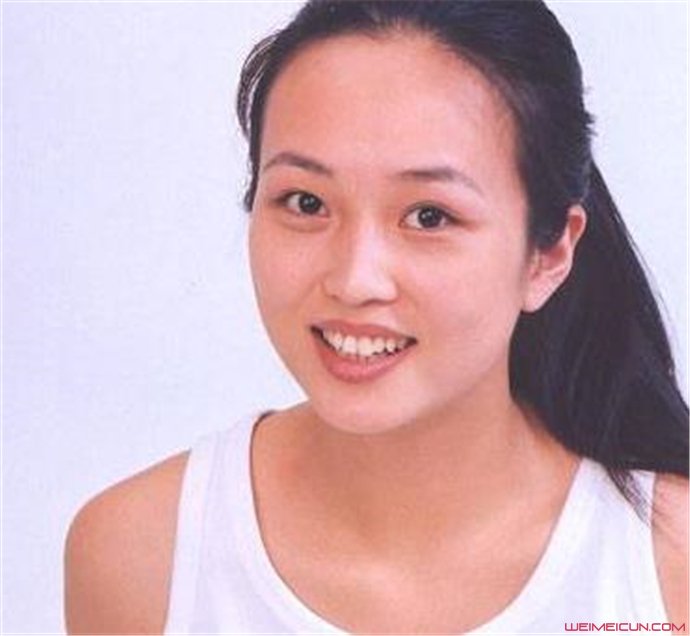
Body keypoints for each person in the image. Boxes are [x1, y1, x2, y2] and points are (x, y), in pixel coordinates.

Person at [64, 1, 689, 634]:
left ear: (548, 254)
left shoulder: (671, 562)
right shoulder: (143, 556)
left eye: (428, 216)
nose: (354, 280)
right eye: (306, 202)